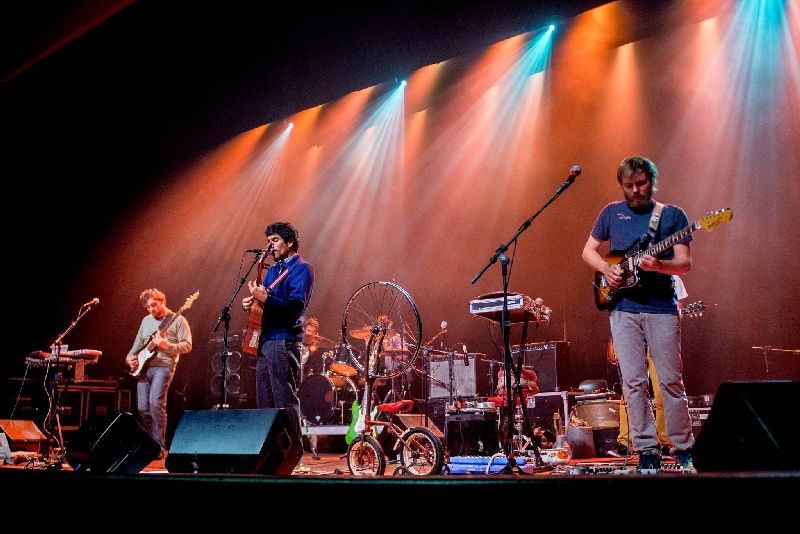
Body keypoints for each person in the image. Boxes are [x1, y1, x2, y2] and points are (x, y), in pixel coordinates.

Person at [582, 156, 695, 470]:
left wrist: (659, 265)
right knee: (632, 382)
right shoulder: (610, 213)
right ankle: (646, 449)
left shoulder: (672, 216)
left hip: (662, 308)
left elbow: (684, 264)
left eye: (641, 184)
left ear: (652, 181)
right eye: (628, 185)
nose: (635, 190)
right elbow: (588, 250)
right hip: (622, 309)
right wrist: (606, 268)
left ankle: (683, 447)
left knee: (671, 381)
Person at [242, 221, 314, 460]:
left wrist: (266, 298)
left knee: (284, 400)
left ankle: (295, 455)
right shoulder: (273, 270)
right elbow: (267, 302)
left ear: (289, 242)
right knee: (264, 401)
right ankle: (271, 456)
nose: (269, 246)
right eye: (268, 241)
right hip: (266, 339)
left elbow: (295, 307)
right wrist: (253, 304)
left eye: (274, 241)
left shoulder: (302, 269)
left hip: (284, 341)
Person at [609, 275, 688, 459]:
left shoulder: (674, 279)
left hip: (658, 330)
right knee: (631, 388)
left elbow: (679, 309)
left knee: (664, 387)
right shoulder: (628, 278)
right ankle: (627, 441)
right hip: (634, 333)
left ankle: (668, 442)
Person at [125, 288, 193, 459]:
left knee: (156, 404)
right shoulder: (146, 321)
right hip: (144, 367)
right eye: (148, 307)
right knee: (142, 408)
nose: (151, 310)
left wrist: (166, 346)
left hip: (164, 367)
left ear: (162, 301)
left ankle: (159, 447)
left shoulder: (178, 320)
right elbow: (138, 342)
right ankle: (150, 445)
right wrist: (129, 357)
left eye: (154, 305)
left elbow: (187, 345)